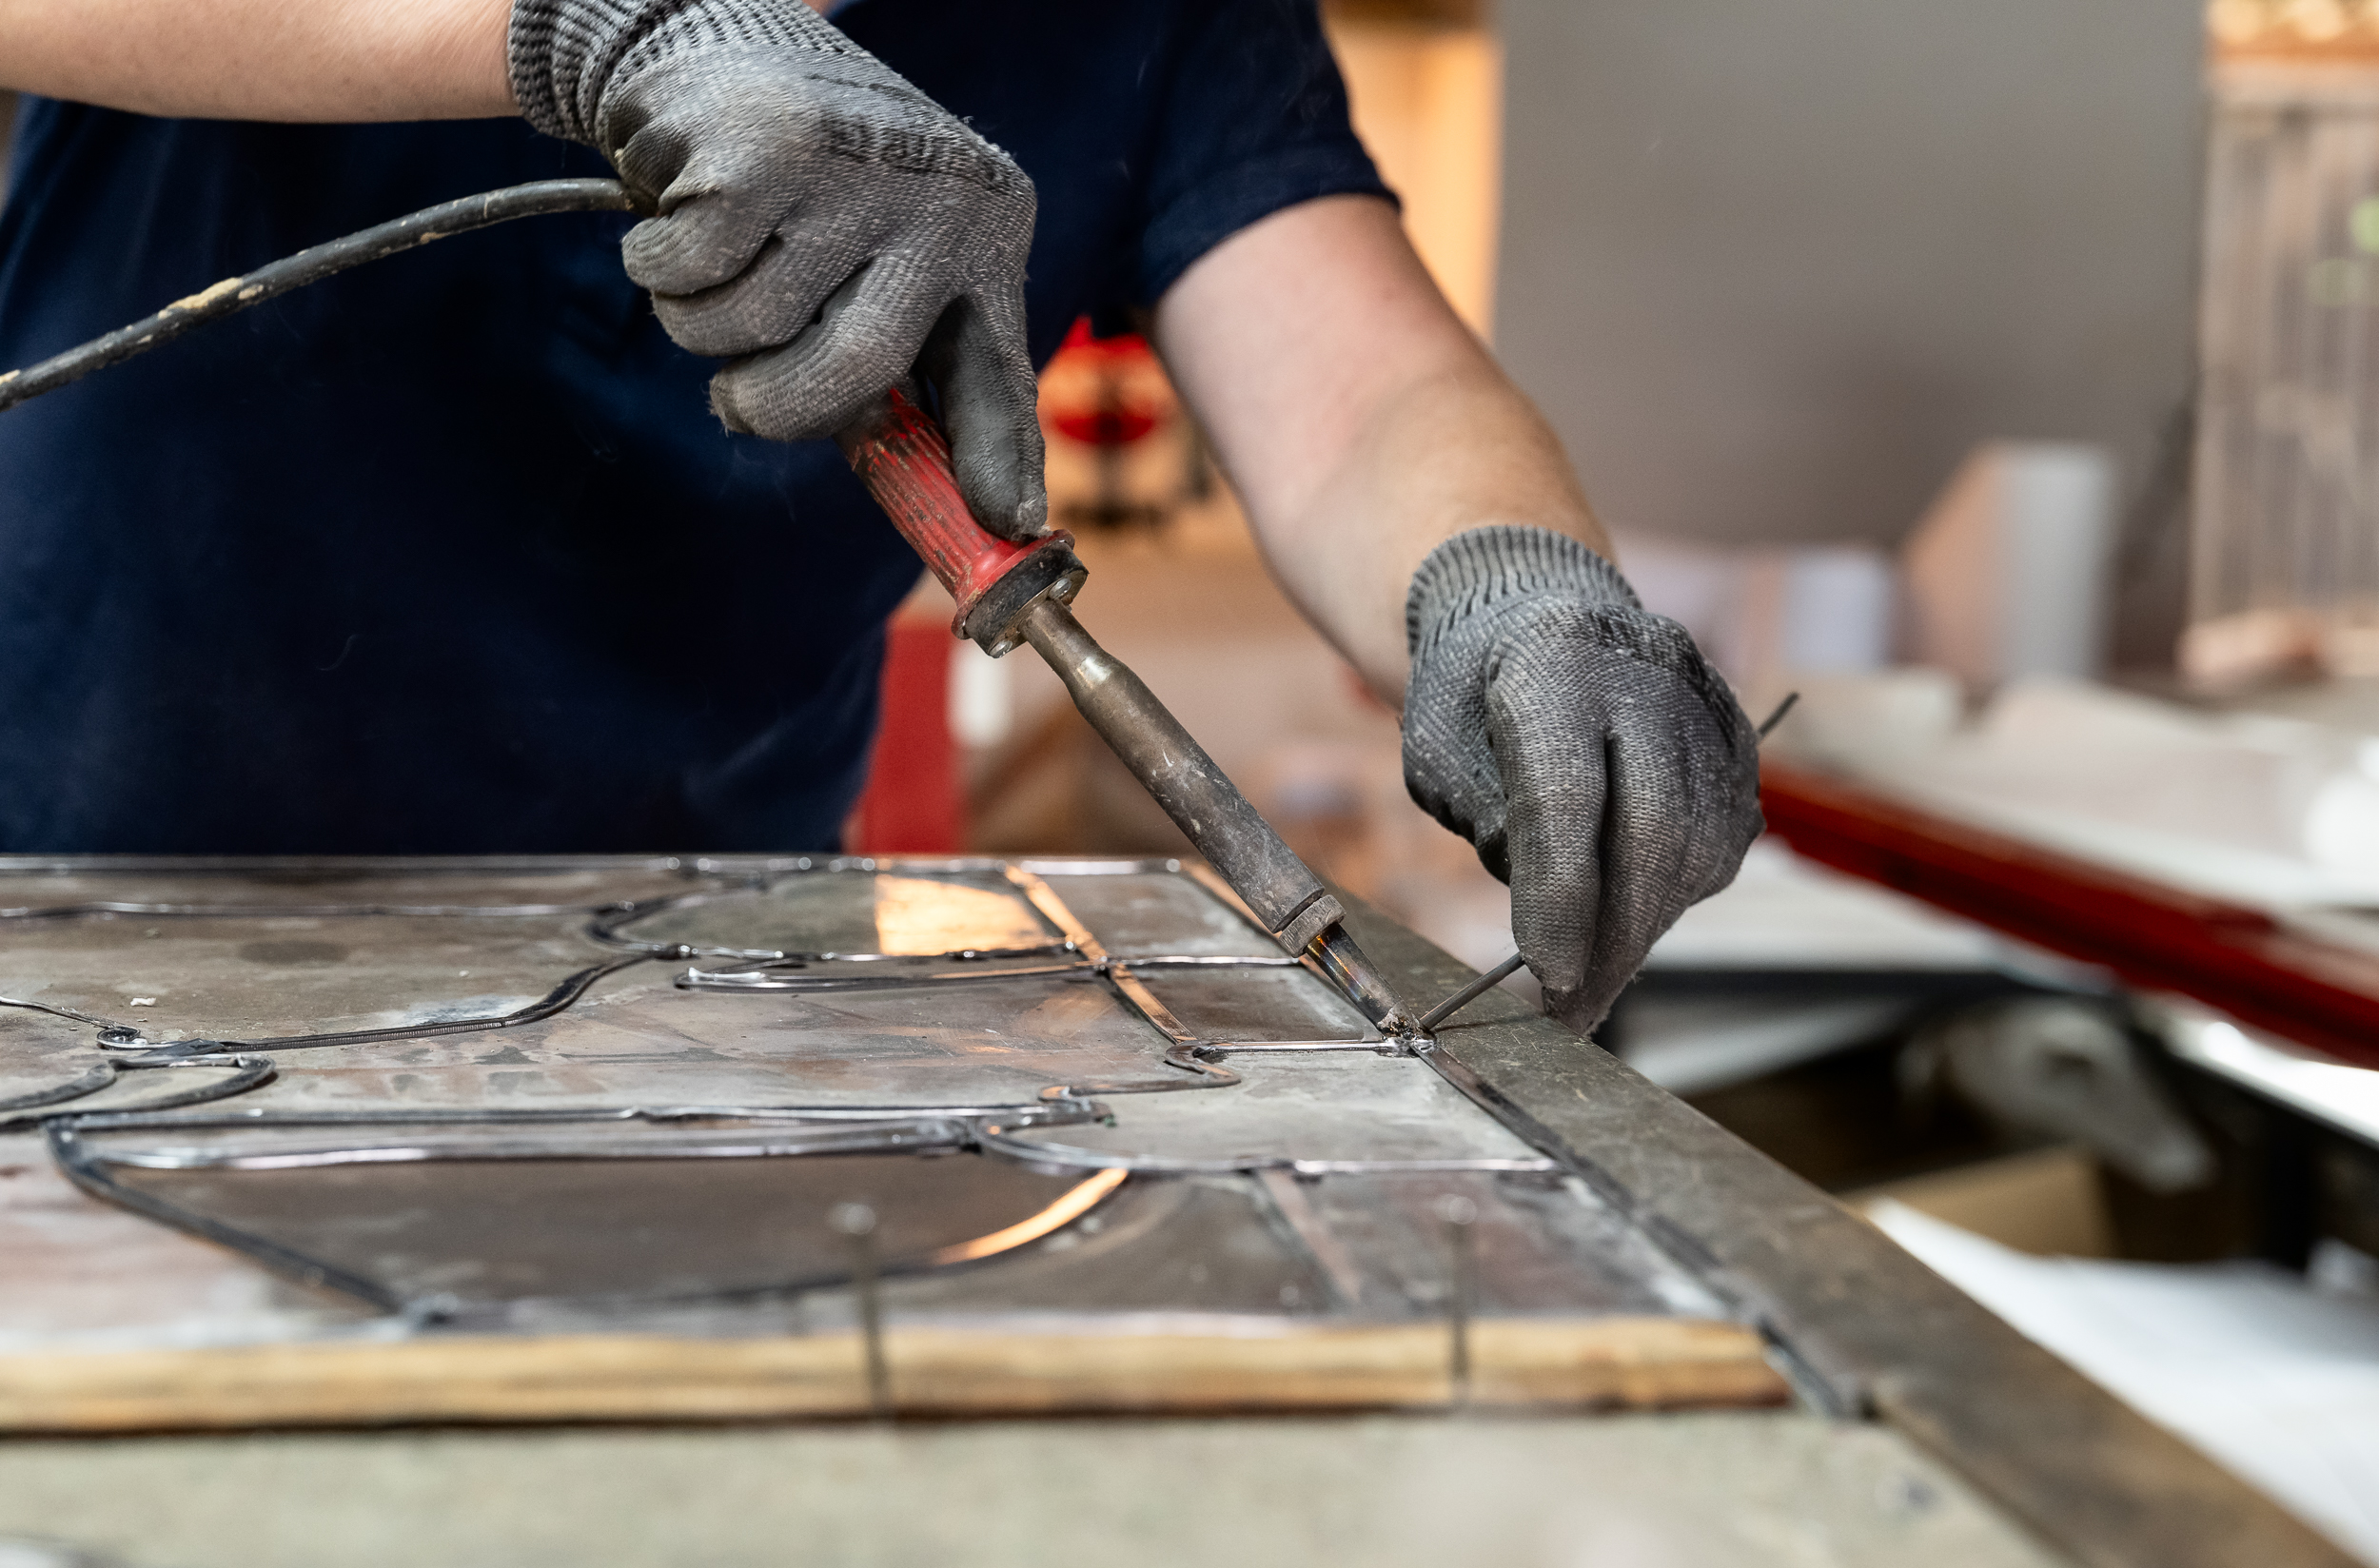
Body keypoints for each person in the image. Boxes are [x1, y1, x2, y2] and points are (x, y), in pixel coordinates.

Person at [0, 0, 1762, 1030]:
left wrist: (1523, 594)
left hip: (692, 979)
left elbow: (1367, 397)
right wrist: (585, 30)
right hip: (78, 919)